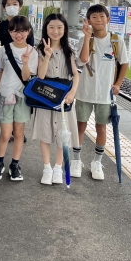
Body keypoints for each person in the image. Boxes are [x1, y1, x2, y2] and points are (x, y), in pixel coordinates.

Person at [75, 4, 129, 180]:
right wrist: (87, 36)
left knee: (101, 128)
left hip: (106, 94)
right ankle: (76, 160)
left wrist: (118, 84)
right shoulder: (84, 39)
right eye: (94, 17)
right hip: (84, 92)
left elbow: (124, 63)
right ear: (88, 20)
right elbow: (82, 61)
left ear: (108, 19)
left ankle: (97, 162)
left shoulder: (116, 40)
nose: (98, 20)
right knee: (80, 126)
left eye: (101, 16)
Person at [32, 14, 80, 185]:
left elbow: (75, 75)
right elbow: (41, 75)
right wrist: (47, 55)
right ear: (46, 29)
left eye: (59, 27)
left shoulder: (69, 52)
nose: (55, 31)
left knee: (63, 134)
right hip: (45, 97)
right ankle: (47, 168)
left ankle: (58, 167)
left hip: (63, 99)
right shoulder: (39, 50)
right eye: (51, 27)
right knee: (45, 132)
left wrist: (72, 92)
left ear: (65, 30)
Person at [0, 15, 38, 182]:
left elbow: (26, 77)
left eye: (23, 31)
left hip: (23, 97)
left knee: (19, 133)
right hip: (6, 95)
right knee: (5, 133)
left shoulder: (32, 52)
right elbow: (0, 70)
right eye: (15, 31)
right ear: (9, 32)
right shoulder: (4, 49)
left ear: (28, 32)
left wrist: (25, 62)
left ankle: (15, 165)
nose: (19, 34)